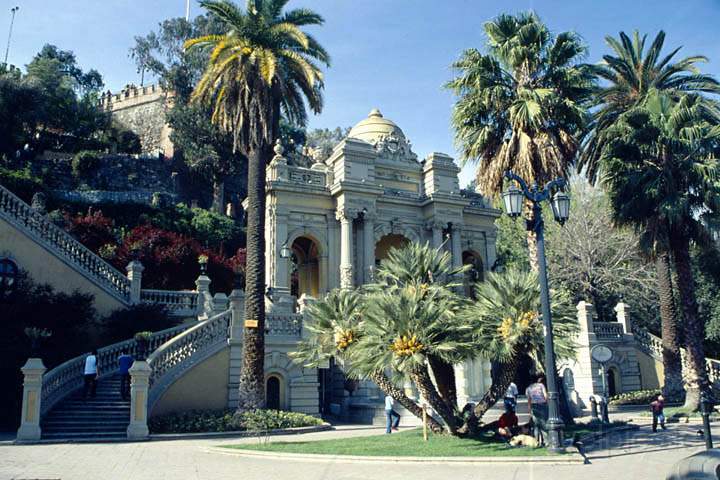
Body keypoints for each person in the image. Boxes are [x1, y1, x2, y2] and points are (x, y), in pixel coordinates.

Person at [526, 375, 549, 445]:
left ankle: (537, 441)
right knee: (544, 423)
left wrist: (529, 411)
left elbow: (529, 400)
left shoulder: (528, 388)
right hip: (542, 405)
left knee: (536, 424)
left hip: (534, 406)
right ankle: (546, 441)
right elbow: (545, 395)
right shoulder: (541, 385)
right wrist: (547, 403)